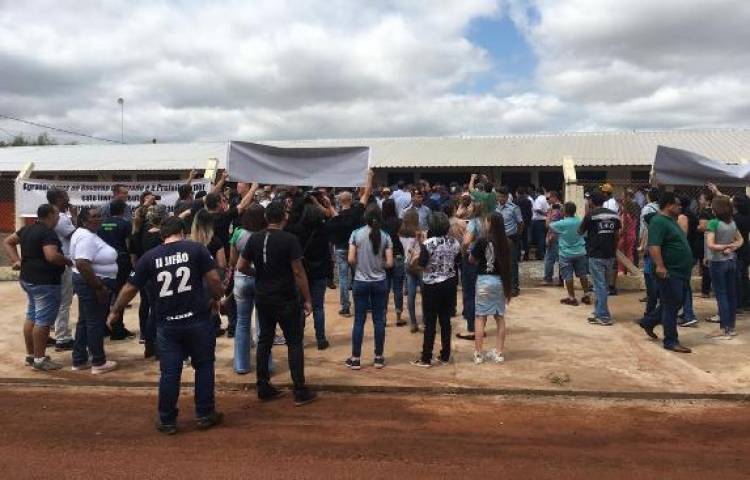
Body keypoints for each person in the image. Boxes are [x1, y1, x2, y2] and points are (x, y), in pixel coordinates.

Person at [108, 216, 224, 434]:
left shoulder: (149, 257)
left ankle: (167, 419)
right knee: (204, 366)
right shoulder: (196, 249)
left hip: (167, 324)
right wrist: (219, 297)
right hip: (197, 319)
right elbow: (214, 279)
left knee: (170, 372)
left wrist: (115, 310)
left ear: (162, 235)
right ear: (182, 231)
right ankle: (205, 414)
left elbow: (130, 288)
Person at [236, 201, 317, 406]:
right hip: (286, 297)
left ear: (266, 218)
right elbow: (298, 272)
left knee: (265, 340)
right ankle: (299, 389)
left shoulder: (255, 238)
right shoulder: (290, 239)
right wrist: (307, 299)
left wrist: (260, 274)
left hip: (263, 296)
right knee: (294, 342)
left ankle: (263, 386)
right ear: (285, 217)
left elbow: (241, 266)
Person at [4, 204, 71, 371]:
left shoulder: (27, 229)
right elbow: (51, 256)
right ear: (49, 215)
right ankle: (40, 359)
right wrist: (68, 261)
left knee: (32, 316)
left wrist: (16, 261)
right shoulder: (48, 233)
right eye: (56, 215)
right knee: (43, 321)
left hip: (28, 279)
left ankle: (32, 355)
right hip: (45, 282)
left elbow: (8, 241)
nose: (58, 218)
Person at [638, 192, 693, 353]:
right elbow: (654, 245)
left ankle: (648, 321)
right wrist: (660, 266)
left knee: (674, 302)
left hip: (680, 271)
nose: (680, 207)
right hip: (670, 271)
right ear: (669, 205)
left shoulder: (671, 221)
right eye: (677, 204)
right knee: (671, 306)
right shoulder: (659, 222)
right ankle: (670, 340)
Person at [69, 207, 119, 373]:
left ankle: (79, 360)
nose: (99, 219)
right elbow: (82, 263)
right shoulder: (86, 237)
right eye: (94, 217)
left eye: (100, 216)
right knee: (95, 323)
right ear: (84, 220)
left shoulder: (85, 234)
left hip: (88, 283)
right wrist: (98, 287)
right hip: (92, 284)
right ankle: (98, 362)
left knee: (85, 321)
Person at [345, 206, 394, 370]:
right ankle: (378, 357)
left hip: (360, 281)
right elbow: (390, 263)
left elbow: (350, 259)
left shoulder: (356, 234)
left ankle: (355, 358)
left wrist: (360, 264)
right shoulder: (385, 236)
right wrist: (378, 265)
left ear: (365, 217)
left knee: (359, 320)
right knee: (379, 320)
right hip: (380, 281)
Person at [410, 213, 461, 368]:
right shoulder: (454, 242)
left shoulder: (428, 243)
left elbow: (422, 265)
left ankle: (426, 357)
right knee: (446, 320)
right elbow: (457, 261)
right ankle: (445, 355)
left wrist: (415, 257)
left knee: (430, 321)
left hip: (432, 285)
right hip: (450, 283)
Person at [286, 194, 332, 350]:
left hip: (301, 272)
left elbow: (289, 221)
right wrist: (324, 204)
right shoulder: (324, 229)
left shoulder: (296, 230)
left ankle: (298, 338)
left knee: (299, 305)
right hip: (319, 272)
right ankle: (321, 339)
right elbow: (334, 218)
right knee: (318, 307)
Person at [326, 171, 373, 316]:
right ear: (352, 200)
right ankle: (365, 305)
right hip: (356, 249)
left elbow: (335, 216)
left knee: (343, 279)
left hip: (340, 249)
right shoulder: (357, 212)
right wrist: (369, 177)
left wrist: (328, 204)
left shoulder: (337, 218)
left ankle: (345, 306)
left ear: (340, 202)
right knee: (360, 276)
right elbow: (366, 195)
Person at [469, 212, 512, 364]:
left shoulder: (482, 241)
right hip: (500, 282)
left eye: (487, 221)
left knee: (480, 317)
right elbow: (509, 266)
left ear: (491, 224)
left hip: (483, 281)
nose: (485, 224)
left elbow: (471, 259)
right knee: (499, 317)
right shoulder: (507, 242)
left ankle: (478, 353)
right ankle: (499, 352)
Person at [229, 204, 267, 374]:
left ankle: (241, 365)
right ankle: (265, 365)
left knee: (242, 323)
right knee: (263, 324)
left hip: (241, 280)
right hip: (261, 279)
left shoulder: (238, 233)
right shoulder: (265, 234)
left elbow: (232, 261)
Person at [130, 204, 167, 358]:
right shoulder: (163, 236)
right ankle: (157, 346)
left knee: (150, 308)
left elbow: (133, 255)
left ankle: (148, 342)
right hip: (160, 276)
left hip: (145, 275)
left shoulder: (138, 232)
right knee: (159, 311)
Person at [705, 195, 744, 339]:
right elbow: (741, 240)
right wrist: (732, 248)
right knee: (731, 295)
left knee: (721, 295)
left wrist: (725, 247)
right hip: (731, 261)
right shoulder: (732, 223)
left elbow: (711, 245)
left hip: (718, 262)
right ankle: (731, 328)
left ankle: (724, 329)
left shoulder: (713, 223)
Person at [579, 192, 620, 325]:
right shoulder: (614, 215)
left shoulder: (591, 215)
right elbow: (617, 235)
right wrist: (614, 250)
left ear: (591, 201)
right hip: (610, 254)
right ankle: (598, 312)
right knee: (602, 286)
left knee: (600, 286)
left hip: (596, 254)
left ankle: (603, 316)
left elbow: (580, 231)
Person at [98, 199, 135, 340]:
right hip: (121, 261)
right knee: (120, 294)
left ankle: (104, 328)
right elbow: (127, 244)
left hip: (104, 262)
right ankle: (117, 328)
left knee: (106, 294)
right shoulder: (125, 224)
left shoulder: (102, 224)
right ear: (122, 210)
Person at [46, 188, 76, 351]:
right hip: (64, 262)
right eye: (65, 197)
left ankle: (45, 332)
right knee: (64, 301)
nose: (68, 199)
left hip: (52, 262)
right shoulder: (61, 218)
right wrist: (76, 217)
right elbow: (76, 236)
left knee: (52, 300)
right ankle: (63, 338)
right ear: (58, 199)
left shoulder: (47, 215)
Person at [192, 209, 228, 337]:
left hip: (193, 281)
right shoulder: (215, 241)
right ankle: (214, 326)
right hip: (210, 281)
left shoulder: (189, 242)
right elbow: (222, 264)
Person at [550, 203, 592, 310]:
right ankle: (586, 294)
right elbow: (585, 233)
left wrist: (550, 212)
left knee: (568, 276)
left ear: (565, 211)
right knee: (583, 274)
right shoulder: (579, 221)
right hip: (580, 251)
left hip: (566, 253)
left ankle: (572, 297)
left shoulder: (562, 223)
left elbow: (549, 225)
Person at [458, 201, 485, 340]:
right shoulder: (487, 222)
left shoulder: (473, 223)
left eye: (469, 206)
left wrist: (463, 251)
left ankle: (472, 327)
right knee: (480, 293)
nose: (467, 208)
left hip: (471, 259)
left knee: (469, 293)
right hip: (483, 259)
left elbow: (467, 241)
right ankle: (480, 326)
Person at [495, 187, 524, 296]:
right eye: (498, 196)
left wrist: (517, 235)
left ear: (507, 197)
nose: (500, 198)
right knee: (498, 263)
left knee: (512, 264)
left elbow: (520, 223)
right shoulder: (495, 208)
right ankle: (502, 286)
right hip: (498, 238)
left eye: (502, 196)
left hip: (511, 238)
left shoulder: (514, 208)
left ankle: (514, 288)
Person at [382, 199, 406, 326]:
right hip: (398, 256)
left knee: (384, 289)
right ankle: (398, 316)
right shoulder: (399, 222)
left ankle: (383, 317)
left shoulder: (379, 223)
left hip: (384, 257)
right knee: (398, 288)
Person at [400, 208, 422, 333]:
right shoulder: (420, 233)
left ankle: (413, 322)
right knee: (425, 294)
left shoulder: (401, 234)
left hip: (407, 264)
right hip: (419, 265)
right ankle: (425, 320)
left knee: (411, 295)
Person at [541, 191, 563, 286]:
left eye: (548, 198)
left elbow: (550, 225)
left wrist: (549, 237)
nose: (547, 200)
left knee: (549, 258)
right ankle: (562, 279)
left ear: (554, 197)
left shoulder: (556, 209)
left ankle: (548, 278)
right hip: (557, 235)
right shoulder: (559, 208)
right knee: (560, 258)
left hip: (554, 235)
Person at [733, 194, 750, 312]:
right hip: (746, 248)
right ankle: (746, 300)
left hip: (738, 249)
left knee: (737, 278)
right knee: (744, 276)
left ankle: (739, 303)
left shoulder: (735, 218)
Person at [531, 187, 549, 260]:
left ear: (537, 192)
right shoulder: (545, 199)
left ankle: (541, 254)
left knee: (540, 238)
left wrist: (544, 214)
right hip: (545, 221)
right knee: (544, 237)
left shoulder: (538, 199)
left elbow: (537, 209)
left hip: (539, 221)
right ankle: (544, 253)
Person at [515, 187, 533, 261]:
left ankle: (518, 256)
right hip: (526, 222)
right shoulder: (528, 201)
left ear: (518, 193)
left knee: (518, 239)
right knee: (525, 239)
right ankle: (526, 255)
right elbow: (530, 212)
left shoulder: (515, 201)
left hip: (518, 223)